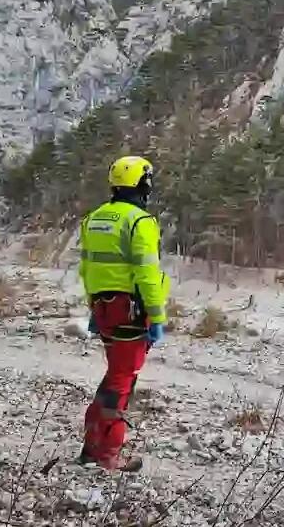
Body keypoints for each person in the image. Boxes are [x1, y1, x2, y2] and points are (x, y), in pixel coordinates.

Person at [77, 155, 171, 471]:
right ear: (142, 183)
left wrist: (93, 306)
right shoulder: (140, 222)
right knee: (122, 381)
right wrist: (157, 317)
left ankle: (93, 446)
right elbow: (147, 273)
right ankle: (107, 453)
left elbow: (87, 268)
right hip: (131, 312)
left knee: (114, 375)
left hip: (104, 310)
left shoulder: (94, 218)